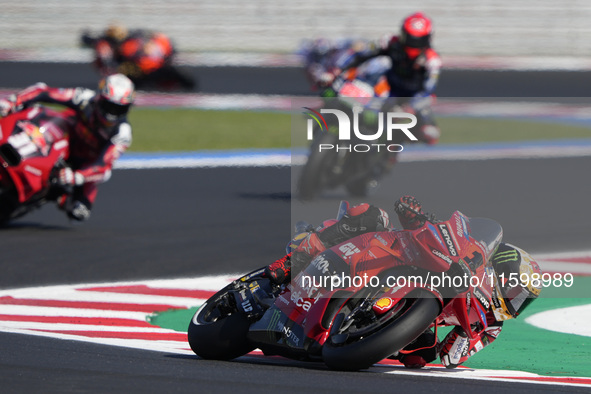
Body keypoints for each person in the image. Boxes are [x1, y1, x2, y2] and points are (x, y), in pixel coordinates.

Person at [266, 196, 542, 369]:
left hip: (415, 318)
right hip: (388, 256)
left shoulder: (491, 325)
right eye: (516, 289)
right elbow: (433, 234)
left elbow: (451, 358)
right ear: (498, 270)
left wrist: (462, 341)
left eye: (523, 298)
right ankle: (291, 262)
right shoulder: (471, 255)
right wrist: (415, 217)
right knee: (368, 214)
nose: (515, 300)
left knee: (418, 358)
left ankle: (359, 327)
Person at [0, 74, 135, 221]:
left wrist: (78, 176)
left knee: (79, 211)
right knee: (40, 115)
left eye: (118, 109)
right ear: (99, 98)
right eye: (109, 106)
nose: (111, 114)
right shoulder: (83, 98)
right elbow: (42, 91)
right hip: (66, 137)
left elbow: (103, 167)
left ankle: (57, 194)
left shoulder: (122, 134)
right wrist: (13, 101)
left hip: (83, 163)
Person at [330, 12, 442, 146]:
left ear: (428, 39)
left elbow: (428, 90)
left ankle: (395, 144)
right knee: (357, 102)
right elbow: (363, 54)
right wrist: (338, 69)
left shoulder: (432, 61)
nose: (413, 44)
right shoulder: (389, 41)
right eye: (409, 38)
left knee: (430, 132)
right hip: (388, 88)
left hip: (411, 97)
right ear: (403, 33)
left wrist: (411, 107)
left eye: (418, 40)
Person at [81, 24, 195, 90]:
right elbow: (107, 64)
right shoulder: (107, 46)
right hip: (142, 67)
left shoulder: (133, 41)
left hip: (150, 65)